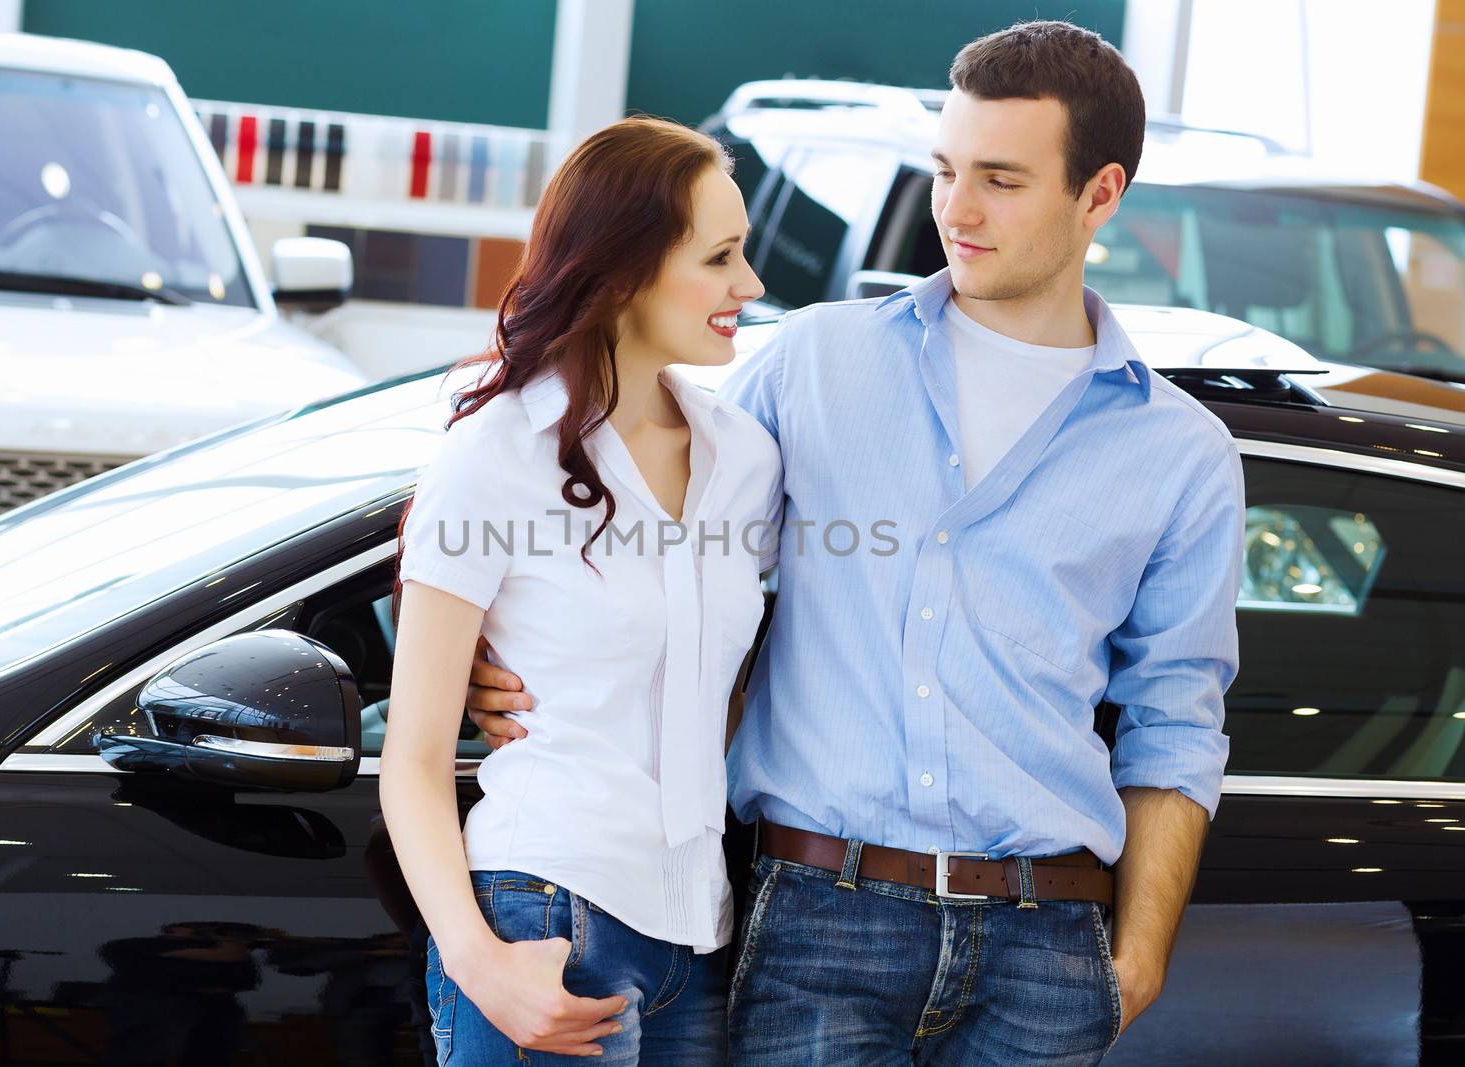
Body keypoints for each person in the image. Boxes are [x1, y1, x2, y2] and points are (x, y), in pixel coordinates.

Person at [464, 21, 1245, 1067]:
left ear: (1099, 193)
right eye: (944, 169)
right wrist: (487, 645)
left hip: (1045, 939)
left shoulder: (1180, 453)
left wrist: (1135, 957)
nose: (955, 212)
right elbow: (631, 522)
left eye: (1000, 181)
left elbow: (1175, 721)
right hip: (818, 919)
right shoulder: (814, 362)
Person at [379, 115, 779, 1065]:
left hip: (699, 930)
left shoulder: (746, 458)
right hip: (545, 917)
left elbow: (719, 687)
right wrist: (478, 961)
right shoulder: (497, 452)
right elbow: (413, 760)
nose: (750, 287)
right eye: (720, 258)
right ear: (626, 268)